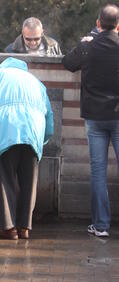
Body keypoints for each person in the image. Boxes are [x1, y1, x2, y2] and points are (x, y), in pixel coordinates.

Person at [0, 57, 54, 240]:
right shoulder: (36, 82)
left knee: (6, 179)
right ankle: (25, 227)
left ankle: (9, 228)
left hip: (5, 129)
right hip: (34, 131)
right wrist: (44, 138)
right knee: (29, 181)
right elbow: (49, 114)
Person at [62, 4, 119, 238]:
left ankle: (101, 226)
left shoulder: (88, 46)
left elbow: (68, 63)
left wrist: (84, 42)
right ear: (117, 25)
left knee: (98, 172)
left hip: (95, 117)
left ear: (98, 23)